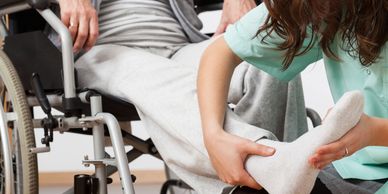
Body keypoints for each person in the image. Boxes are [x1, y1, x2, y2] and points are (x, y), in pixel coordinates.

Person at [54, 0, 313, 193]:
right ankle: (267, 164)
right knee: (158, 76)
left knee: (267, 59)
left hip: (179, 47)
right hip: (101, 50)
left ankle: (265, 176)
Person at [199, 0, 388, 193]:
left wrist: (372, 132)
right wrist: (213, 136)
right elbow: (222, 51)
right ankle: (271, 164)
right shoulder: (324, 8)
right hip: (353, 168)